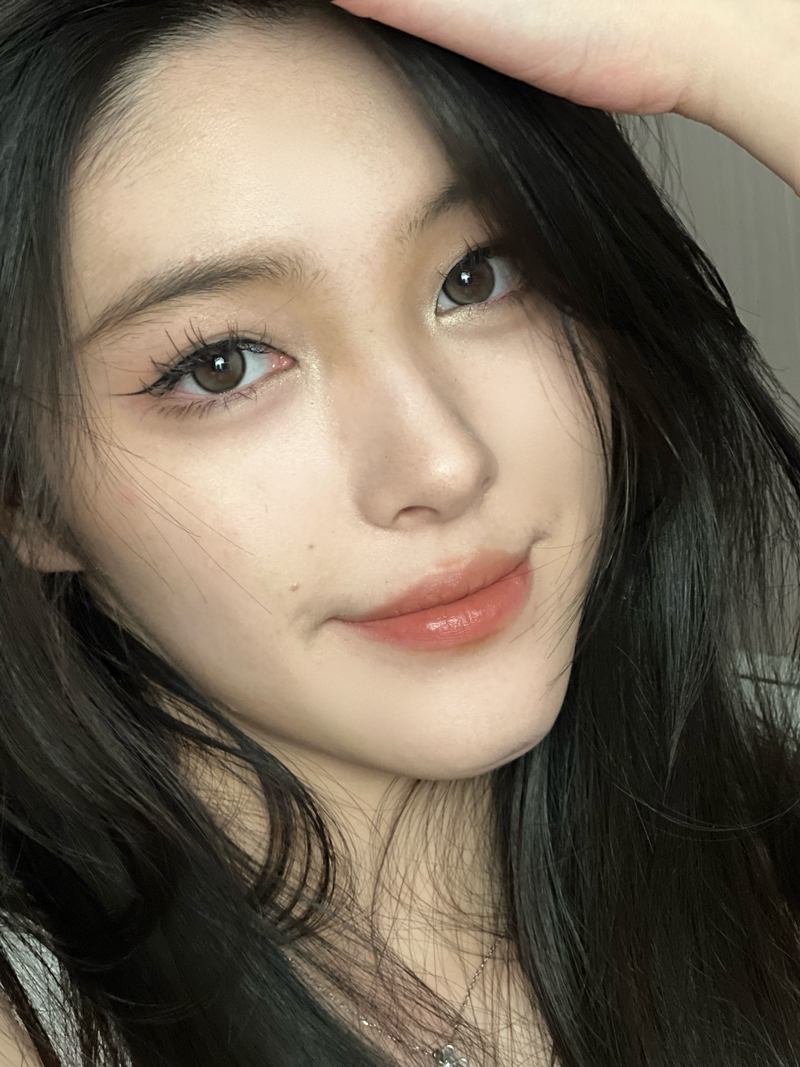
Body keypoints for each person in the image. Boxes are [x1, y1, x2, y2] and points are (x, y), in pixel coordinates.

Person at [0, 0, 797, 1064]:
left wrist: (744, 46)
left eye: (476, 276)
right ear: (28, 498)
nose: (442, 464)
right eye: (221, 365)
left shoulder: (765, 802)